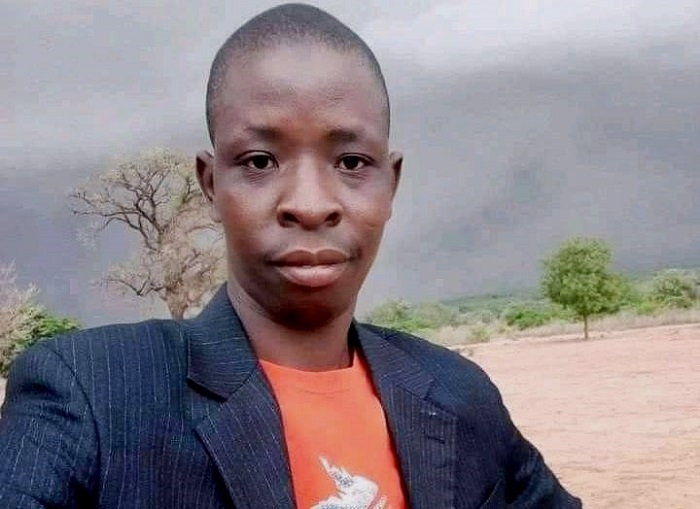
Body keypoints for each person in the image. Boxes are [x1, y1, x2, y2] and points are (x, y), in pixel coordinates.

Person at [0, 3, 582, 508]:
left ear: (391, 184)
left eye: (351, 163)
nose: (309, 205)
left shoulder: (458, 392)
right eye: (260, 161)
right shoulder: (90, 396)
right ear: (211, 184)